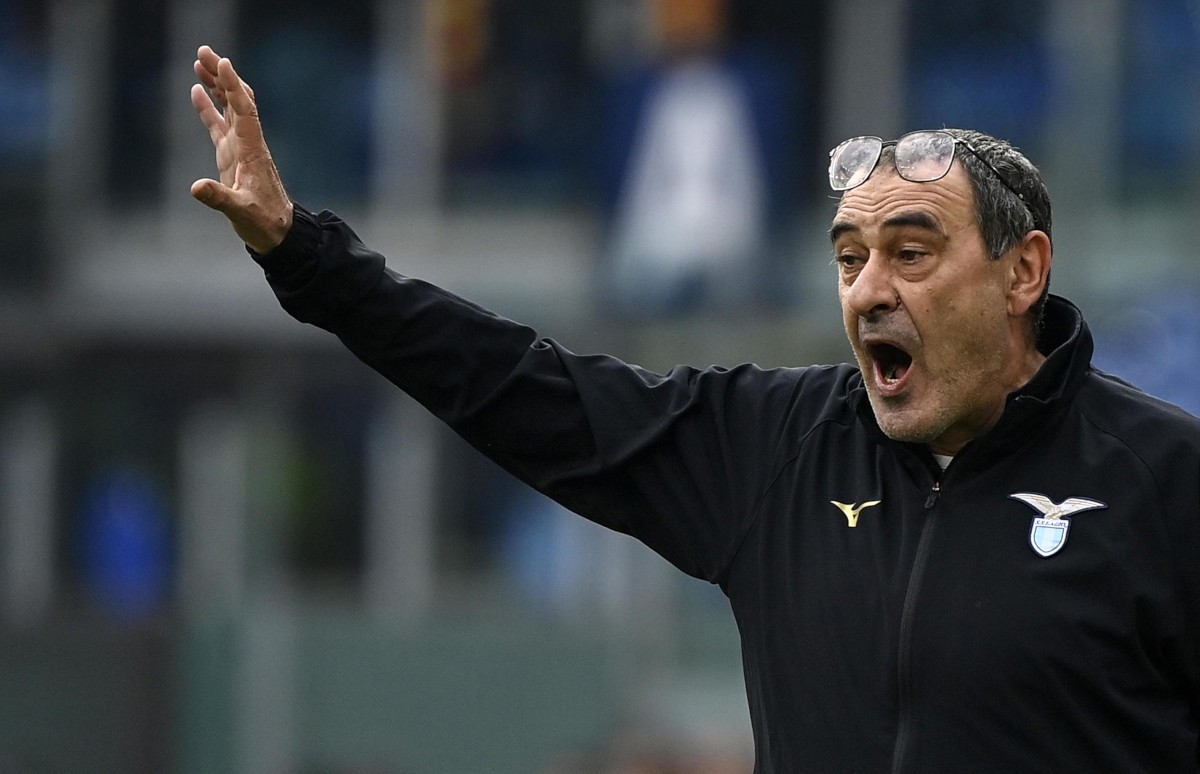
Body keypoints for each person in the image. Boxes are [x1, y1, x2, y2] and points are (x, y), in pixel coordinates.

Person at [190, 45, 1200, 772]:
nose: (868, 291)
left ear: (1021, 273)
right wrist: (303, 255)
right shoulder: (779, 448)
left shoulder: (1164, 481)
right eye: (848, 260)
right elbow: (524, 391)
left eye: (912, 253)